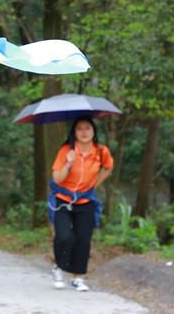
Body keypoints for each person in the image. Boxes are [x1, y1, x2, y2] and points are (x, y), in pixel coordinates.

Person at [50, 115, 113, 292]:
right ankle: (59, 268)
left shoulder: (101, 150)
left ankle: (78, 277)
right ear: (74, 132)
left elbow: (108, 167)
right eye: (79, 128)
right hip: (63, 199)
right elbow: (57, 178)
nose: (84, 132)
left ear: (93, 131)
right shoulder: (66, 151)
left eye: (88, 128)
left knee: (83, 240)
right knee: (64, 237)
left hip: (86, 200)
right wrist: (68, 163)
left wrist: (95, 185)